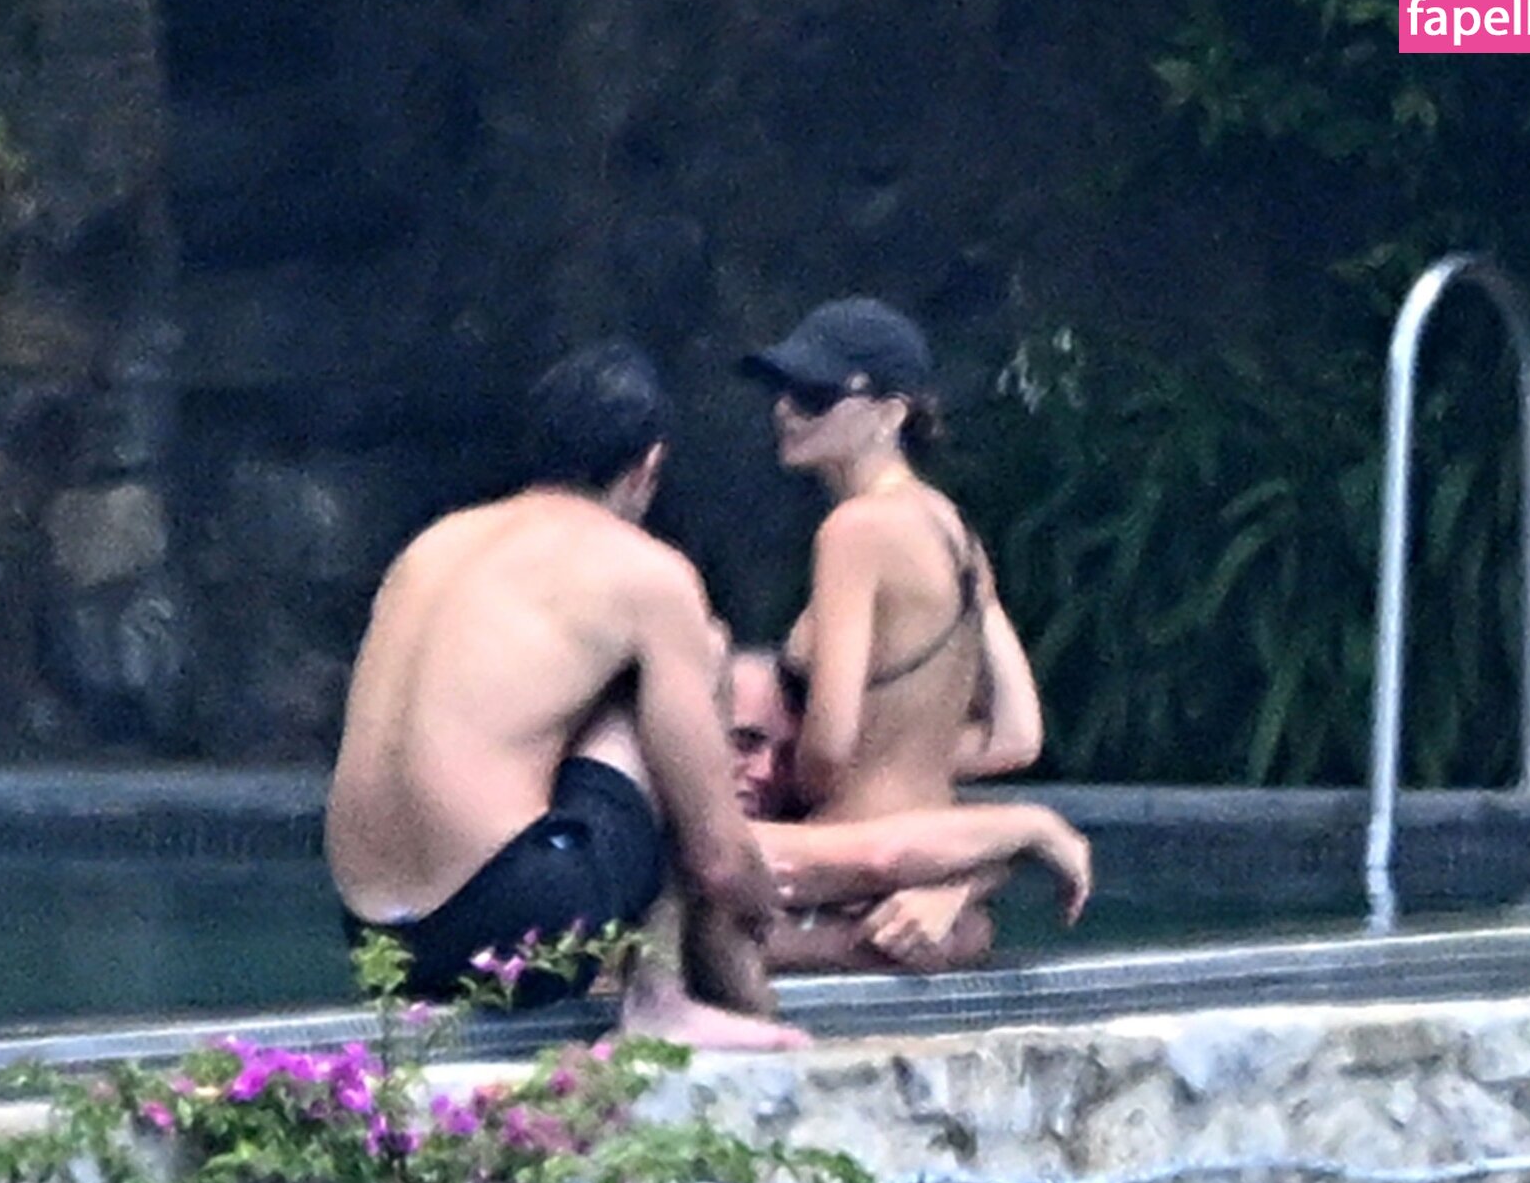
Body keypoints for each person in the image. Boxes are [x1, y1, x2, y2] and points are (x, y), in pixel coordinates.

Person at [327, 341, 807, 1050]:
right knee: (698, 651)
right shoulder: (646, 573)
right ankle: (662, 997)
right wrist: (756, 898)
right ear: (649, 467)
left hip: (377, 945)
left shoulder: (429, 547)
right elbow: (716, 856)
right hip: (506, 931)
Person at [740, 296, 1062, 969]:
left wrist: (804, 787)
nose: (787, 411)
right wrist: (900, 765)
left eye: (815, 396)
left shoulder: (853, 531)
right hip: (928, 865)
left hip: (850, 867)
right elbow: (1016, 736)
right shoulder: (956, 533)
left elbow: (829, 748)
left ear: (891, 413)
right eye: (784, 392)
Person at [728, 648, 1091, 973]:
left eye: (789, 756)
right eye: (744, 742)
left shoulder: (796, 816)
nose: (766, 771)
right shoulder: (704, 837)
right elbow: (880, 857)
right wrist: (1033, 826)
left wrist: (952, 891)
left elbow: (1013, 741)